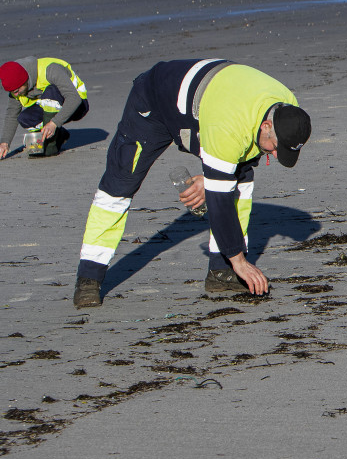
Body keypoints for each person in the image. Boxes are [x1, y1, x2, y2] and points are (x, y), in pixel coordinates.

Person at [73, 60, 312, 308]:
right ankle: (89, 277)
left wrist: (213, 179)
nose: (274, 155)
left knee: (241, 181)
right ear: (267, 125)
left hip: (210, 109)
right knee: (119, 185)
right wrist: (240, 260)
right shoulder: (229, 126)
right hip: (153, 102)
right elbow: (219, 202)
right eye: (275, 148)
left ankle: (221, 272)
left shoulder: (288, 108)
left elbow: (243, 155)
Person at [0, 57, 89, 159]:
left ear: (26, 80)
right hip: (50, 106)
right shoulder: (15, 87)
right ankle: (60, 135)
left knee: (51, 91)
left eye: (17, 90)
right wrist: (4, 143)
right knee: (24, 118)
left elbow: (74, 99)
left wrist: (55, 123)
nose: (15, 94)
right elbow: (12, 115)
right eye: (12, 91)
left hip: (78, 105)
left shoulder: (51, 70)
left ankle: (50, 147)